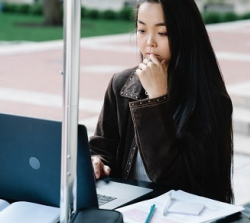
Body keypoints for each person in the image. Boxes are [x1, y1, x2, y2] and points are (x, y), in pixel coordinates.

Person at [90, 0, 234, 203]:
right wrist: (95, 162)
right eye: (141, 30)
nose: (149, 43)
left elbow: (172, 179)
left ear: (185, 34)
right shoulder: (121, 86)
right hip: (126, 211)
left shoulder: (211, 101)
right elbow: (101, 150)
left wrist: (157, 99)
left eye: (163, 33)